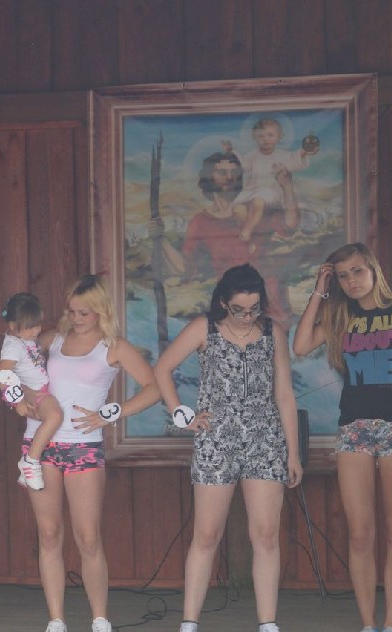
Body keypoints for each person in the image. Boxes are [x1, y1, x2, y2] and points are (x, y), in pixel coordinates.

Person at [154, 263, 302, 632]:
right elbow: (162, 368)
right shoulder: (203, 328)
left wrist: (293, 452)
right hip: (216, 439)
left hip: (265, 438)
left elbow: (285, 394)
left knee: (265, 535)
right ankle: (190, 622)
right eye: (239, 309)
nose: (247, 316)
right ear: (223, 302)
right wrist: (182, 414)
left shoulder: (273, 332)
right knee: (206, 535)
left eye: (254, 308)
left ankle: (267, 623)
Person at [293, 243, 392, 632]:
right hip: (354, 428)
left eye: (357, 271)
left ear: (373, 269)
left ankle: (390, 624)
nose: (351, 280)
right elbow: (300, 346)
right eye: (342, 275)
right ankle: (368, 624)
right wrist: (319, 291)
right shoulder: (341, 315)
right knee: (359, 534)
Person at [15, 274, 161, 632]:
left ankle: (99, 617)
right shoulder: (52, 339)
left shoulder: (113, 346)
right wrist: (21, 398)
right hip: (40, 444)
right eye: (72, 311)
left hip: (83, 446)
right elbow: (13, 361)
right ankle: (56, 619)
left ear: (101, 311)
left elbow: (153, 388)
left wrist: (111, 413)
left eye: (85, 312)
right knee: (49, 535)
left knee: (88, 537)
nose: (77, 318)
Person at [156, 149, 300, 324]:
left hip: (269, 298)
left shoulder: (255, 209)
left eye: (234, 173)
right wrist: (160, 239)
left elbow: (289, 225)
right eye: (222, 173)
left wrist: (287, 187)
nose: (230, 177)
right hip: (231, 304)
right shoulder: (201, 222)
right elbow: (186, 267)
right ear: (208, 177)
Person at [0, 292, 64, 491]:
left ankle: (26, 469)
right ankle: (30, 462)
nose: (36, 330)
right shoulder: (13, 346)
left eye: (37, 324)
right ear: (12, 326)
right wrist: (17, 401)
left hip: (40, 389)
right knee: (55, 416)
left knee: (38, 428)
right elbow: (1, 374)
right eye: (30, 326)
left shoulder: (24, 339)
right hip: (36, 393)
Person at [223, 118, 313, 244]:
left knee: (258, 201)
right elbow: (244, 164)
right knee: (237, 207)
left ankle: (247, 230)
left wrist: (305, 151)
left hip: (271, 191)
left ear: (279, 136)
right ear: (255, 138)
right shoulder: (253, 154)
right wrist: (231, 151)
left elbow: (295, 158)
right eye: (261, 136)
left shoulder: (282, 155)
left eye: (270, 135)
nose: (265, 139)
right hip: (252, 189)